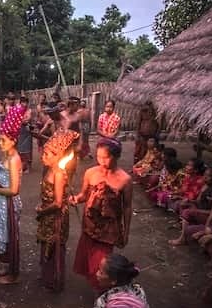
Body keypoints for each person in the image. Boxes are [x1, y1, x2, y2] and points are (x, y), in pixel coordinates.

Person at [70, 138, 133, 290]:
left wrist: (126, 232)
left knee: (102, 264)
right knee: (89, 263)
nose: (101, 161)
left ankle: (102, 296)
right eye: (99, 157)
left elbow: (127, 207)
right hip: (89, 226)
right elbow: (84, 195)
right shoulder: (90, 173)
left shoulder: (125, 180)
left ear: (116, 156)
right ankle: (99, 293)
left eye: (106, 157)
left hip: (109, 230)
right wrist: (75, 199)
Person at [36, 130, 79, 292]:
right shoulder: (49, 169)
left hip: (55, 217)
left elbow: (59, 203)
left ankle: (54, 280)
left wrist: (42, 210)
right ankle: (47, 275)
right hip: (47, 214)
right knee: (45, 243)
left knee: (54, 246)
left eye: (47, 154)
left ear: (58, 155)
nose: (43, 156)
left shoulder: (59, 174)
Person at [0, 105, 25, 285]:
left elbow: (13, 190)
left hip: (9, 203)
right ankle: (6, 264)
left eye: (3, 140)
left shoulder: (13, 159)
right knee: (3, 233)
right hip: (1, 202)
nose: (0, 143)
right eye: (0, 140)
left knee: (10, 235)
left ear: (13, 140)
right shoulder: (6, 156)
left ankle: (13, 273)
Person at [169, 179, 212, 246]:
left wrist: (204, 231)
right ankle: (182, 239)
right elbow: (211, 217)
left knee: (194, 230)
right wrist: (205, 229)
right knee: (188, 224)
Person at [17, 96, 33, 173]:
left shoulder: (29, 110)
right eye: (23, 102)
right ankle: (22, 166)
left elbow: (27, 120)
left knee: (28, 149)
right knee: (20, 150)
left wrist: (22, 120)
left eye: (26, 102)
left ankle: (28, 167)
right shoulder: (18, 110)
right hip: (20, 131)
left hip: (27, 131)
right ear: (20, 103)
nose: (25, 104)